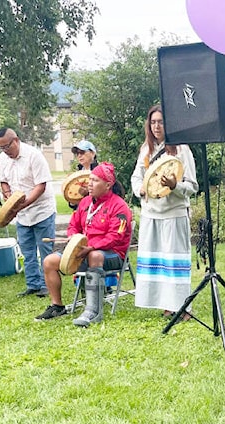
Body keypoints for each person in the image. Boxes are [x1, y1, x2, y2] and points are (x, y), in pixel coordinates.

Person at [34, 163, 133, 327]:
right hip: (82, 251)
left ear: (108, 185)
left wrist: (91, 246)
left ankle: (93, 310)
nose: (89, 184)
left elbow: (115, 237)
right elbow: (73, 225)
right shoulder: (85, 202)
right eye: (90, 180)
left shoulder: (119, 206)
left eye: (95, 181)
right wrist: (74, 239)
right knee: (49, 261)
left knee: (95, 255)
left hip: (112, 254)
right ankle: (57, 306)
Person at [130, 105, 198, 318]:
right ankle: (166, 304)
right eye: (153, 122)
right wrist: (140, 189)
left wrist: (174, 185)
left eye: (161, 122)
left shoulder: (182, 149)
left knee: (174, 263)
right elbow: (136, 177)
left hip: (173, 213)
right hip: (151, 213)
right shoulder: (146, 149)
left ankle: (182, 307)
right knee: (158, 262)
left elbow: (192, 186)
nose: (157, 126)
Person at [0, 127, 57, 298]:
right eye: (0, 147)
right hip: (21, 214)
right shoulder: (3, 158)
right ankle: (33, 284)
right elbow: (4, 182)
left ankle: (47, 285)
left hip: (41, 210)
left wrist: (23, 205)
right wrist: (8, 197)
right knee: (27, 250)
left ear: (16, 140)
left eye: (7, 146)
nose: (4, 151)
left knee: (45, 249)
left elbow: (41, 186)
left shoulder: (34, 155)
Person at [67, 139, 99, 210]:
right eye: (77, 153)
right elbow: (73, 204)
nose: (79, 156)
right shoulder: (77, 173)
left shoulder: (100, 172)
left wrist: (88, 192)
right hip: (82, 213)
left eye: (82, 152)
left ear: (93, 153)